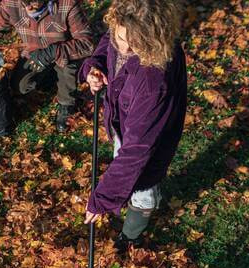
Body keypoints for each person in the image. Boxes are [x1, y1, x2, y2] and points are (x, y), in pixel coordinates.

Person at [80, 0, 187, 253]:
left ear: (151, 38)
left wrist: (102, 199)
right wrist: (93, 66)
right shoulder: (123, 31)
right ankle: (123, 196)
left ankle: (131, 236)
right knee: (124, 160)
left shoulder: (152, 81)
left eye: (134, 43)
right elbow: (108, 45)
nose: (125, 47)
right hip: (125, 123)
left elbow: (137, 150)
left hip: (148, 141)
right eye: (120, 37)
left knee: (143, 188)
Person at [0, 0, 95, 132]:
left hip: (63, 54)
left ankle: (66, 104)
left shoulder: (67, 4)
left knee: (67, 68)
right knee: (20, 87)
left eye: (33, 2)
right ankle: (49, 77)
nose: (28, 7)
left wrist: (52, 52)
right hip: (33, 53)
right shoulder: (11, 4)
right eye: (25, 2)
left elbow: (87, 44)